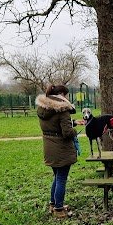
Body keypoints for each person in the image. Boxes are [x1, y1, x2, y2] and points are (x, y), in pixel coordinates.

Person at [35, 84, 85, 218]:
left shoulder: (43, 108)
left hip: (49, 147)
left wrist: (73, 122)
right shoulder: (62, 110)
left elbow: (54, 125)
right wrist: (75, 130)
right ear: (62, 95)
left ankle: (53, 204)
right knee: (61, 179)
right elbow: (67, 132)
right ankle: (58, 209)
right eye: (66, 95)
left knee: (57, 177)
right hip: (61, 149)